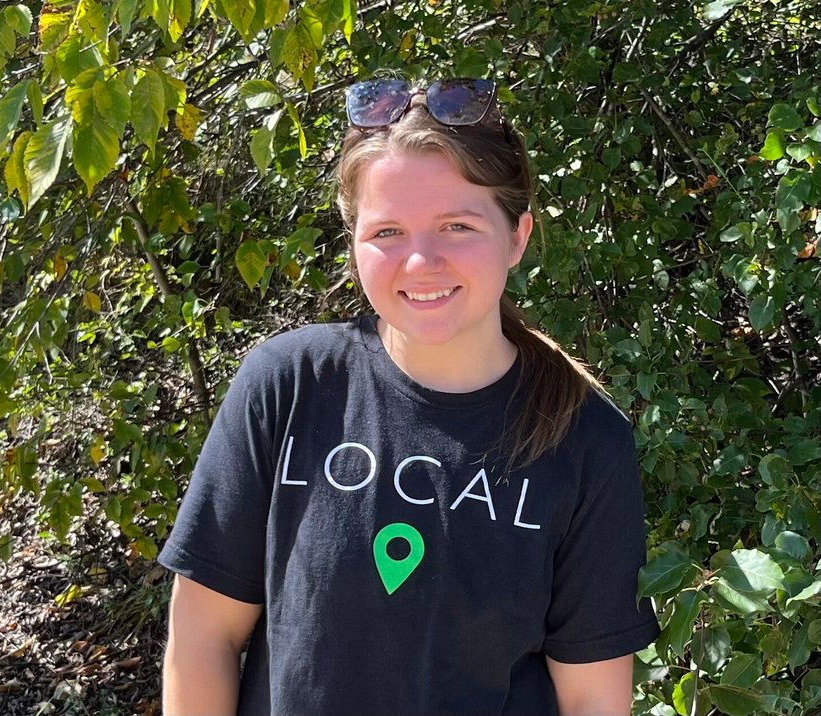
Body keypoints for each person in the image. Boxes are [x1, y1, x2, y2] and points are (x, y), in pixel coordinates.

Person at [159, 77, 660, 716]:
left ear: (518, 236)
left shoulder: (585, 438)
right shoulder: (288, 385)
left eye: (456, 225)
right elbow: (204, 637)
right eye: (388, 232)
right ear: (353, 243)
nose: (421, 261)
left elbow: (592, 697)